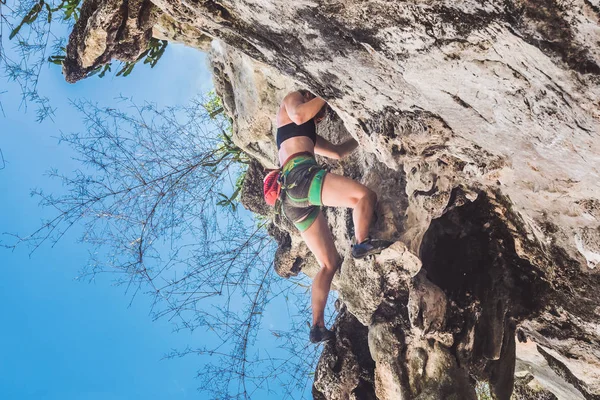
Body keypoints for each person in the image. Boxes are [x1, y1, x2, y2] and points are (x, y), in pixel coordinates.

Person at [273, 90, 391, 343]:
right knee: (363, 197)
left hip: (291, 199)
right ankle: (361, 243)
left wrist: (364, 136)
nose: (319, 119)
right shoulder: (294, 99)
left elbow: (338, 152)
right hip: (300, 177)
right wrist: (326, 91)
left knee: (328, 263)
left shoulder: (304, 132)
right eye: (320, 115)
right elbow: (299, 112)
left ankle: (317, 325)